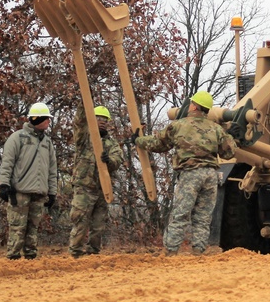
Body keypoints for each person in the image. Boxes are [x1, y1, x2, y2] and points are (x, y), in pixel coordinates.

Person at [135, 90, 235, 256]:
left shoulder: (179, 125)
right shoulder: (216, 129)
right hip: (211, 175)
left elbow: (158, 144)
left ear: (194, 106)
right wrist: (228, 131)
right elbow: (229, 152)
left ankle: (171, 251)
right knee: (203, 217)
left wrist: (138, 140)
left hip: (191, 174)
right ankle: (199, 251)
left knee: (181, 213)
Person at [0, 102, 58, 260]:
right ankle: (13, 258)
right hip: (20, 193)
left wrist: (52, 192)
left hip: (39, 194)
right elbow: (7, 163)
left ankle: (31, 259)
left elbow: (52, 170)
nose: (49, 122)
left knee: (33, 229)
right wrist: (3, 185)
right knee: (17, 228)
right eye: (46, 119)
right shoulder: (17, 138)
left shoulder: (47, 142)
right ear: (37, 119)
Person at [68, 104, 124, 258]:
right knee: (80, 221)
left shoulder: (111, 143)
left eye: (105, 119)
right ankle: (75, 253)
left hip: (102, 188)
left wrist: (109, 161)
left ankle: (93, 253)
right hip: (84, 187)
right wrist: (82, 105)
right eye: (99, 118)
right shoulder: (84, 139)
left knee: (98, 225)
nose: (103, 122)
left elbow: (118, 159)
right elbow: (78, 124)